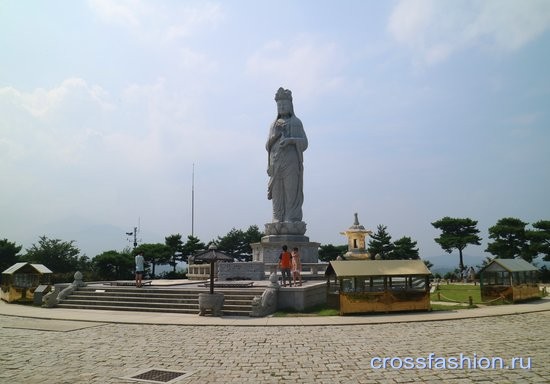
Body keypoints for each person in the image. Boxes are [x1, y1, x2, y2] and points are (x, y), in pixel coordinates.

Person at [266, 87, 308, 223]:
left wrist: (291, 140)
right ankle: (277, 217)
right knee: (277, 191)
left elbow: (305, 143)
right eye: (279, 105)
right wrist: (276, 135)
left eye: (284, 104)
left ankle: (291, 216)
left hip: (291, 162)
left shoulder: (296, 122)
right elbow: (267, 146)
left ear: (290, 105)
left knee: (291, 190)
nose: (282, 107)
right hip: (276, 162)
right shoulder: (273, 124)